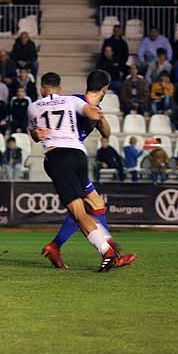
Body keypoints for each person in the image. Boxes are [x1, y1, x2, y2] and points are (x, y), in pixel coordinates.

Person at [29, 71, 133, 273]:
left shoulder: (93, 108)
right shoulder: (73, 101)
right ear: (105, 89)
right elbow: (42, 122)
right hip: (62, 158)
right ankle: (109, 250)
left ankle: (58, 246)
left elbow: (107, 133)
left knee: (95, 204)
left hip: (74, 159)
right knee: (80, 209)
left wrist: (98, 114)